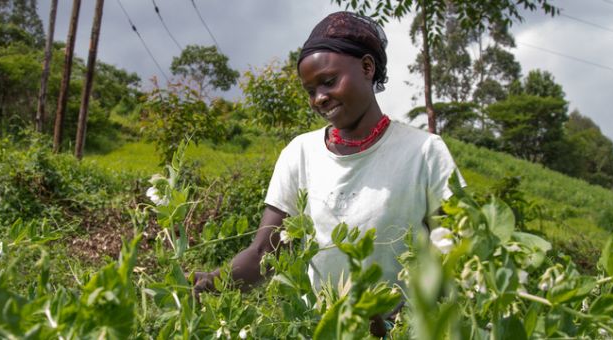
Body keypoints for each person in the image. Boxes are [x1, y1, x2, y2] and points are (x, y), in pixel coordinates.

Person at [192, 11, 463, 337]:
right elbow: (266, 252)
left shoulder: (424, 152)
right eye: (310, 90)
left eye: (329, 81)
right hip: (320, 329)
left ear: (367, 67)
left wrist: (401, 318)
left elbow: (453, 252)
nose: (319, 98)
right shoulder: (300, 153)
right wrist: (214, 281)